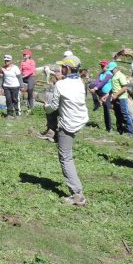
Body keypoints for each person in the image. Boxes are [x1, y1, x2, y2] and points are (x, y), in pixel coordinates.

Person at [46, 57, 89, 206]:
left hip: (68, 124)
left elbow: (53, 106)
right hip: (80, 119)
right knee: (67, 153)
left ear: (68, 69)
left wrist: (45, 107)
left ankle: (77, 194)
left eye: (63, 67)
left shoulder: (61, 84)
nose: (60, 69)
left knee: (65, 156)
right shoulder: (80, 82)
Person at [107, 61, 133, 136]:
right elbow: (114, 87)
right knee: (117, 114)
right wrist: (109, 95)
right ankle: (120, 130)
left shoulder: (121, 75)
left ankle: (131, 132)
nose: (111, 71)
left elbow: (125, 86)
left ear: (116, 68)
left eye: (111, 69)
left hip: (122, 98)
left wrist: (116, 94)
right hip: (115, 97)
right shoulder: (114, 76)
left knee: (125, 114)